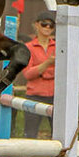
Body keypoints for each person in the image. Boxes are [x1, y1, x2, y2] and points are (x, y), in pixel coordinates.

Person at [20, 10, 56, 139]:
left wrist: (41, 71)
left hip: (55, 96)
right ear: (36, 25)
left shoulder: (58, 46)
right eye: (44, 24)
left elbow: (62, 72)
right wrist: (48, 64)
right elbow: (28, 74)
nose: (47, 27)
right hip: (35, 96)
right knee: (30, 133)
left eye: (51, 25)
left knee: (58, 134)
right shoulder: (28, 47)